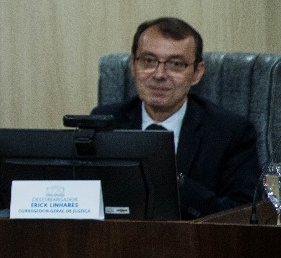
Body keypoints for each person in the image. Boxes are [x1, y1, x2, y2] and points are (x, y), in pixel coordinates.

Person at [91, 17, 259, 219]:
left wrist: (175, 181)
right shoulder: (105, 123)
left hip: (196, 245)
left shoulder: (230, 131)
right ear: (133, 66)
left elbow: (245, 213)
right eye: (148, 61)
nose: (160, 74)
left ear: (197, 72)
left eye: (175, 64)